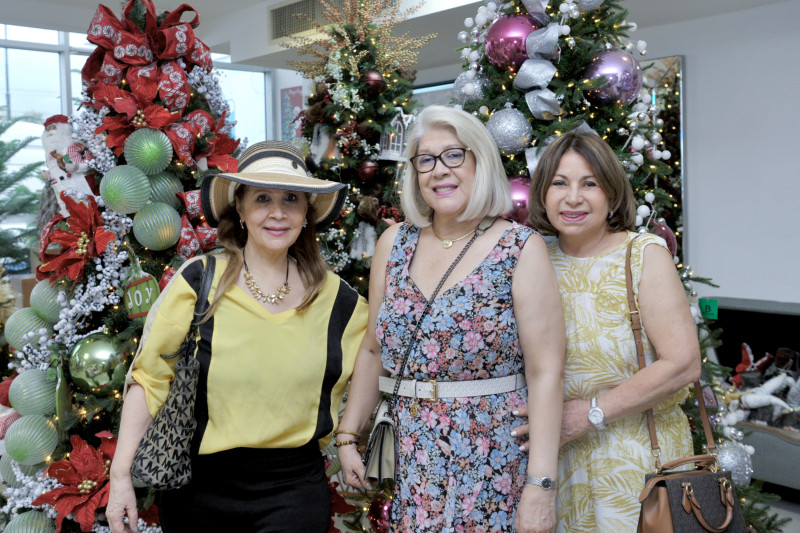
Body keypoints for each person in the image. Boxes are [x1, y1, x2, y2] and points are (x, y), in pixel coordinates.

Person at [106, 141, 368, 533]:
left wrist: (347, 439)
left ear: (306, 215)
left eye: (291, 199)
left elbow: (374, 357)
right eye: (262, 198)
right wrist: (120, 475)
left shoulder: (339, 300)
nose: (277, 213)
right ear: (241, 210)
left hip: (294, 489)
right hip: (199, 490)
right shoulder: (198, 281)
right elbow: (149, 378)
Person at [336, 105, 565, 533]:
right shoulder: (394, 242)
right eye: (426, 159)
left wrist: (541, 484)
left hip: (491, 456)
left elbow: (546, 370)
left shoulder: (519, 248)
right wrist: (348, 434)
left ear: (480, 161)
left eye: (454, 155)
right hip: (410, 456)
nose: (439, 170)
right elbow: (373, 347)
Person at [517, 130, 701, 532]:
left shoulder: (642, 255)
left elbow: (683, 363)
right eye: (559, 184)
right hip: (553, 465)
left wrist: (592, 413)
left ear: (612, 192)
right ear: (543, 195)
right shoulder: (532, 258)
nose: (573, 198)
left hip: (638, 466)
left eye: (590, 184)